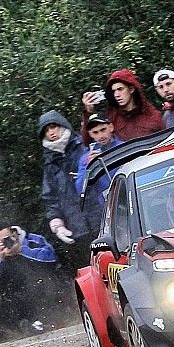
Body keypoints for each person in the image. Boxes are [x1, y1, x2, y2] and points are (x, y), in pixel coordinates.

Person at [38, 110, 101, 269]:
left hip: (102, 217)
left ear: (62, 125)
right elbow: (50, 198)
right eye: (46, 130)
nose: (51, 132)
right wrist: (57, 224)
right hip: (77, 230)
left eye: (53, 127)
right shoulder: (49, 164)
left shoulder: (83, 146)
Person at [0, 224, 69, 335]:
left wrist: (22, 251)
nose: (5, 244)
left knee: (43, 286)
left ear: (14, 234)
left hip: (44, 286)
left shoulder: (33, 239)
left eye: (6, 239)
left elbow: (51, 259)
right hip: (18, 295)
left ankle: (45, 322)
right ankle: (23, 326)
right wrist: (1, 260)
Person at [81, 69, 164, 142]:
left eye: (120, 89)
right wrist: (88, 113)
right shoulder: (111, 117)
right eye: (114, 91)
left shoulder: (153, 116)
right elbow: (87, 141)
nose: (116, 94)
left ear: (131, 89)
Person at [76, 111, 124, 203]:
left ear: (111, 127)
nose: (101, 136)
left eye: (103, 130)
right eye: (95, 132)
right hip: (107, 206)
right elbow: (80, 190)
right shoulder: (86, 158)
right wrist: (89, 167)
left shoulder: (123, 148)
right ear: (90, 134)